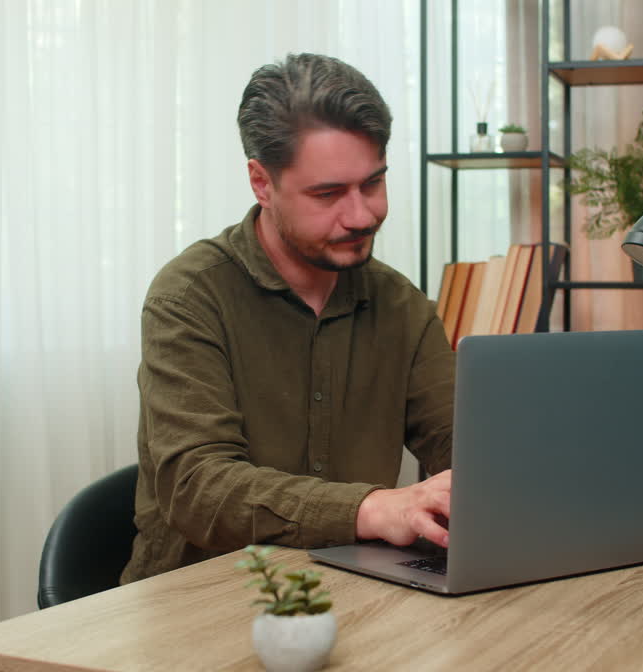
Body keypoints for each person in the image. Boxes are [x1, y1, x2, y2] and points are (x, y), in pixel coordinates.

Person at [120, 53, 455, 583]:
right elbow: (198, 488)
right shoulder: (189, 296)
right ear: (261, 182)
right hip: (200, 599)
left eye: (372, 183)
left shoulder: (399, 304)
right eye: (328, 194)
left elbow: (464, 440)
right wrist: (372, 509)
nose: (362, 214)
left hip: (353, 592)